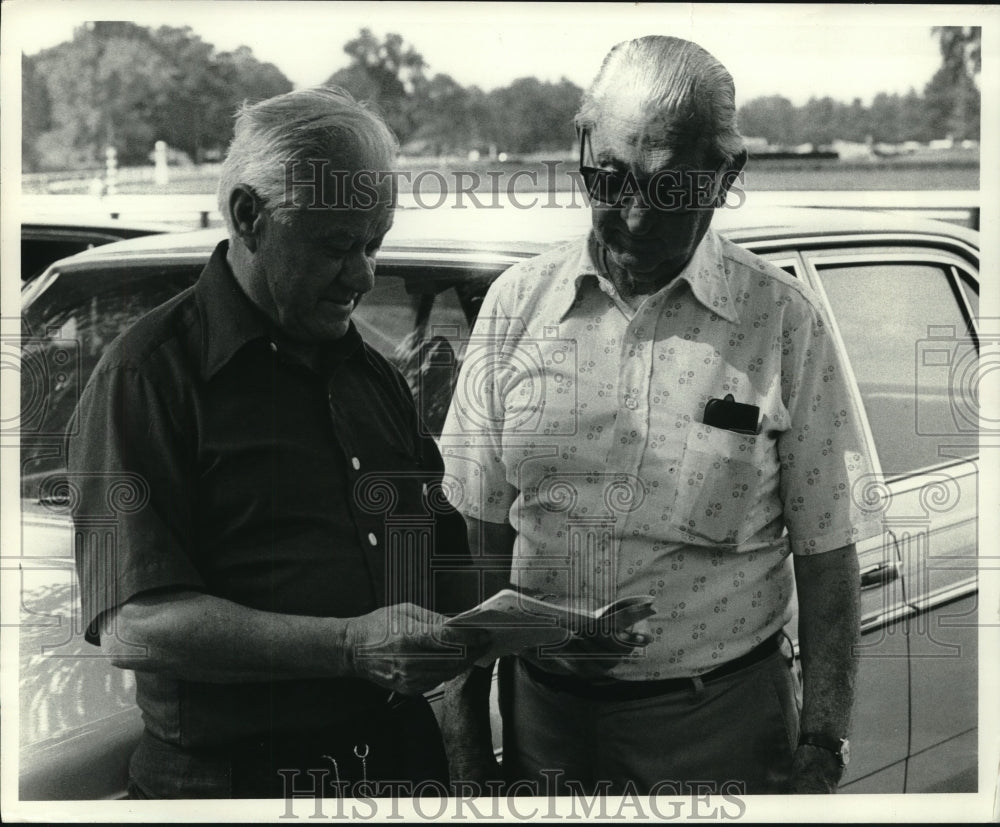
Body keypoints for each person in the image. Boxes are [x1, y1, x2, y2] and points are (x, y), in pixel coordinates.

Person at [440, 36, 880, 795]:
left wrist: (822, 745)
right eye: (609, 180)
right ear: (581, 148)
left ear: (726, 174)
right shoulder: (516, 305)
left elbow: (829, 552)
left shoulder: (781, 320)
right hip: (545, 725)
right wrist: (472, 751)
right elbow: (478, 537)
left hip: (722, 732)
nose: (636, 217)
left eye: (672, 189)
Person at [67, 87, 488, 799]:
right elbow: (135, 626)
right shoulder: (147, 376)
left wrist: (545, 624)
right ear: (248, 217)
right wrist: (350, 647)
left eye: (373, 244)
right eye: (335, 246)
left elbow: (441, 568)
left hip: (395, 767)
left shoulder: (373, 376)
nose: (363, 274)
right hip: (235, 786)